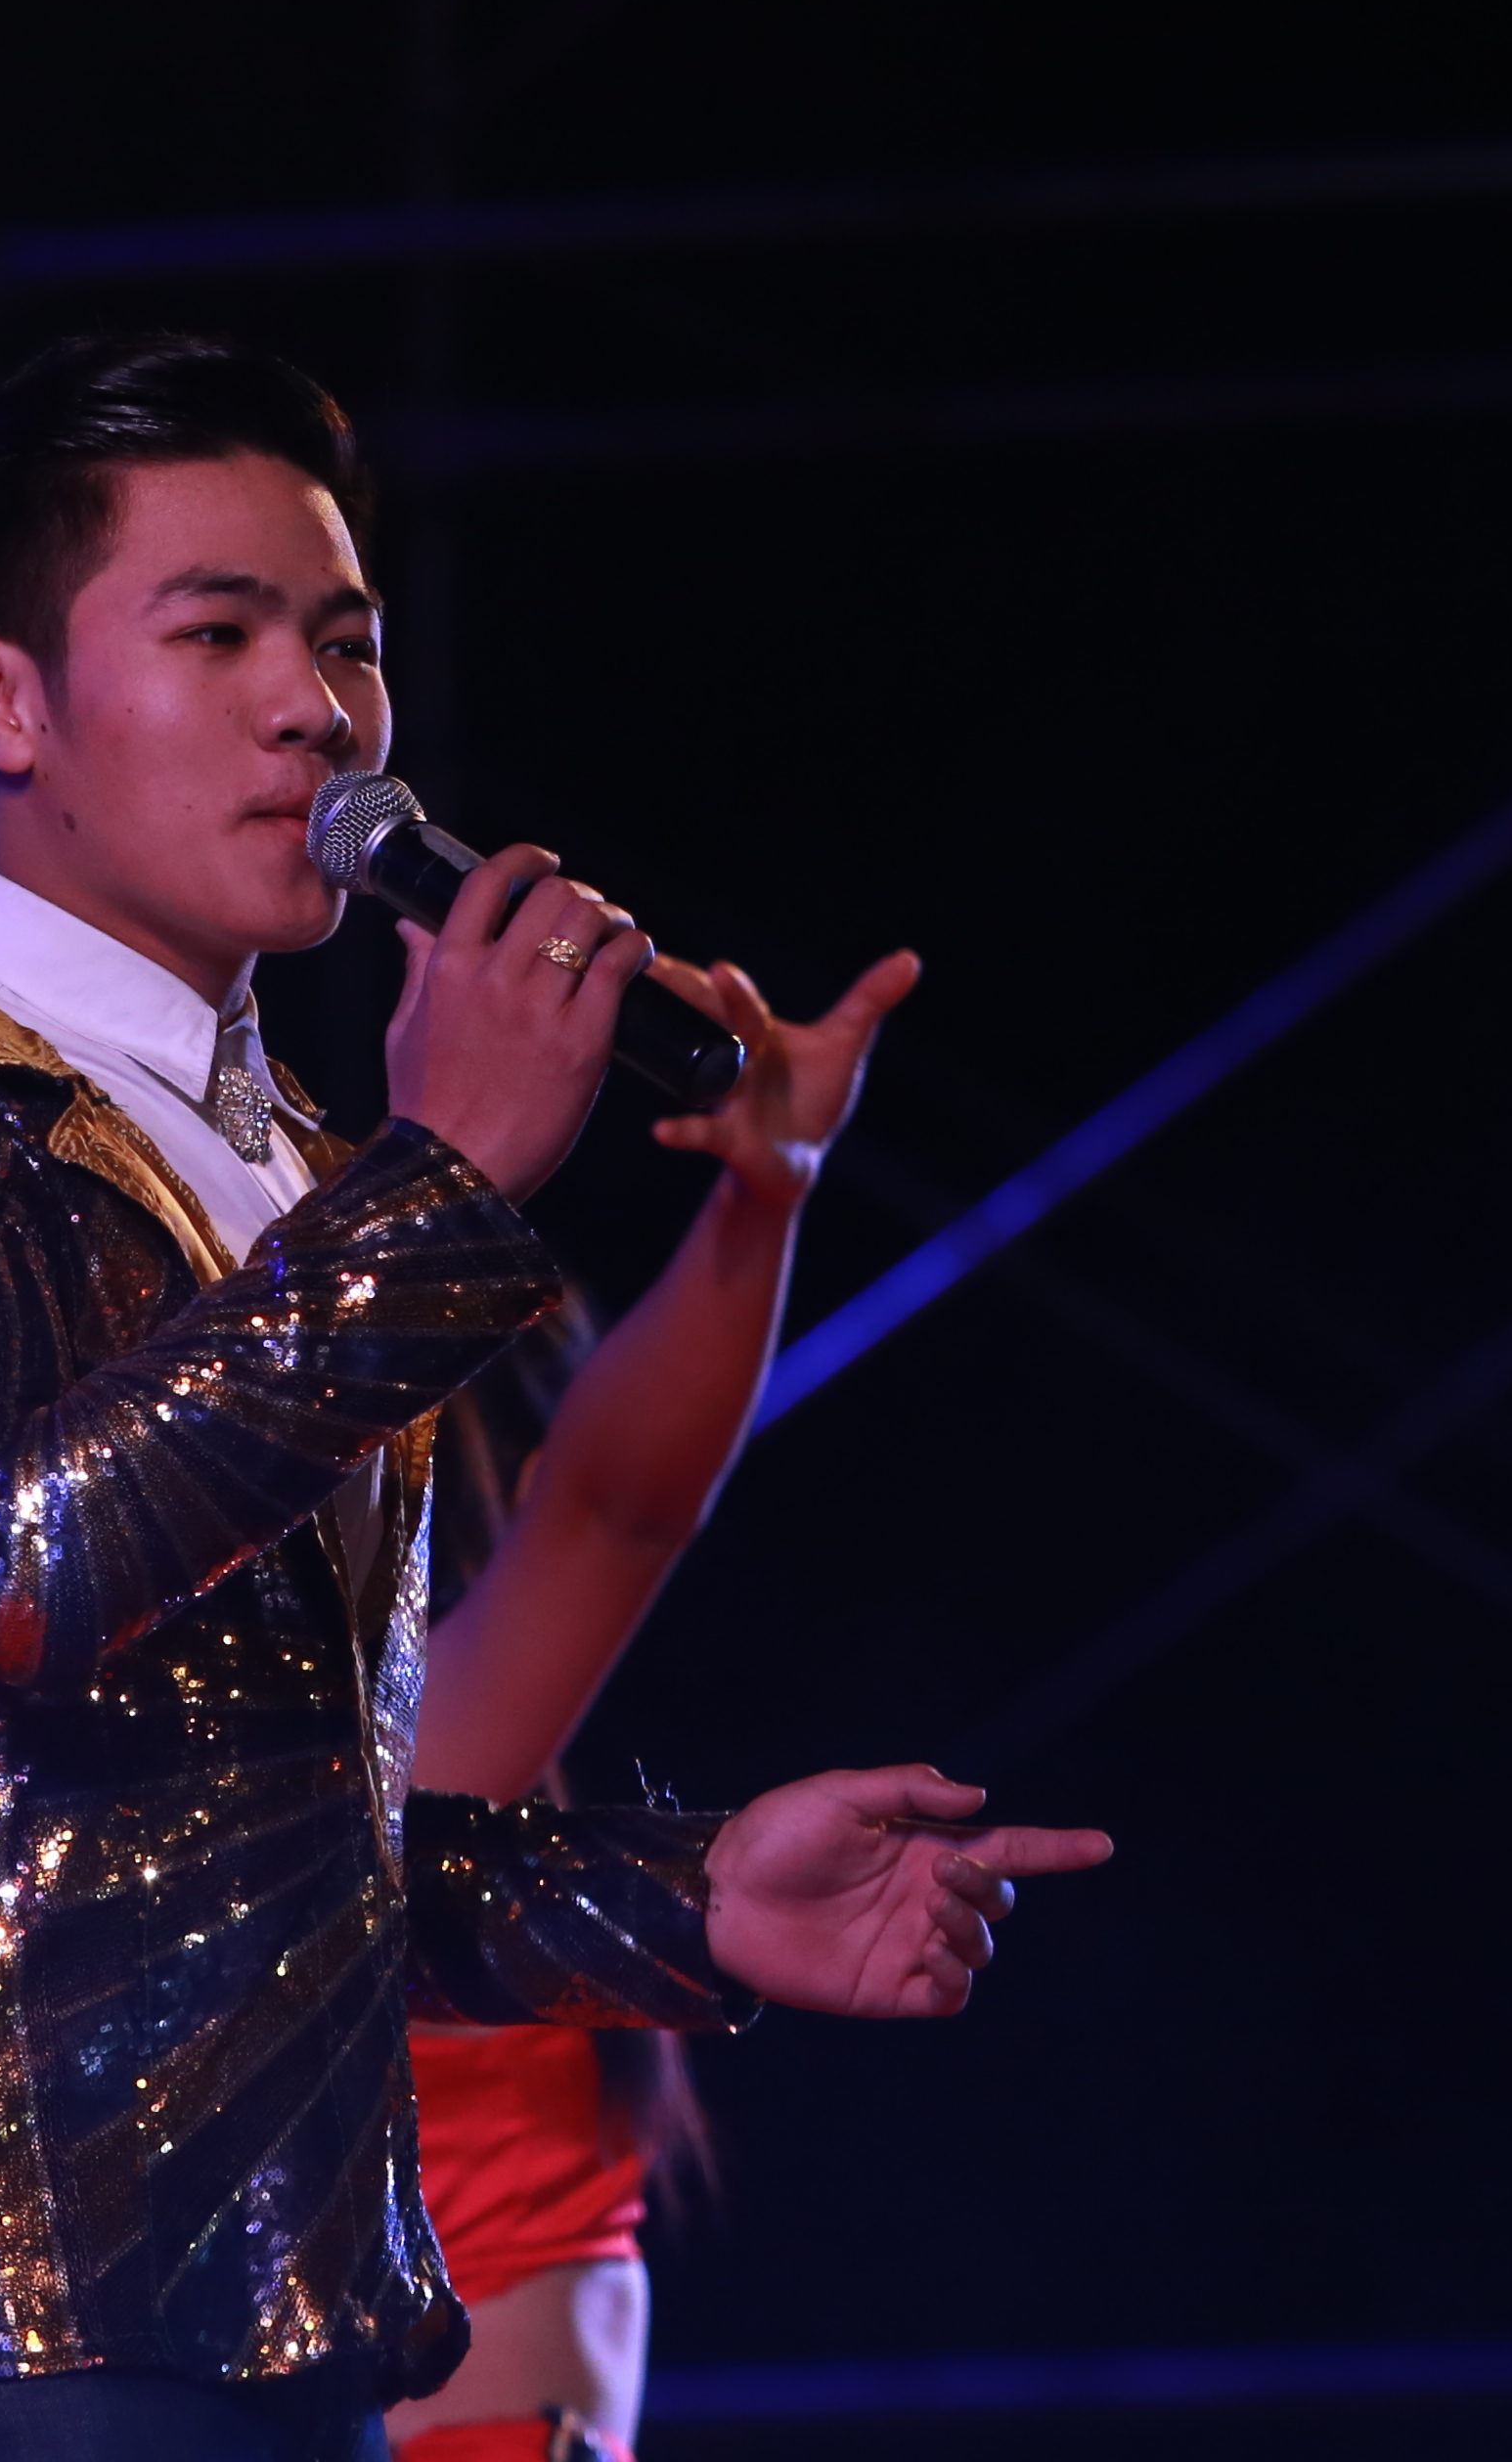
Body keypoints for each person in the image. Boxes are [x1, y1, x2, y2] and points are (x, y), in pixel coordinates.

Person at [0, 328, 1109, 2462]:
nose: (314, 708)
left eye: (344, 642)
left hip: (293, 2334)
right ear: (2, 703)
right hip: (0, 2324)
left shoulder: (291, 1177)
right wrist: (439, 1189)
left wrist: (695, 1897)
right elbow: (17, 1571)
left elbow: (250, 1846)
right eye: (220, 633)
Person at [385, 944, 914, 2462]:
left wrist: (769, 1197)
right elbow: (615, 1512)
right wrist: (764, 1202)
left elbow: (609, 1507)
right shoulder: (383, 1767)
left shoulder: (450, 1769)